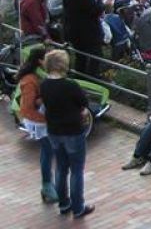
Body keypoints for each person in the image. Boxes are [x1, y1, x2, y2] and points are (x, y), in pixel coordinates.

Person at [40, 49, 95, 218]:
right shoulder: (70, 85)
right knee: (76, 170)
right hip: (72, 131)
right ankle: (78, 207)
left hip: (54, 131)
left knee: (61, 168)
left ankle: (64, 205)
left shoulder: (44, 85)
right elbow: (84, 103)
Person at [16, 47, 57, 204]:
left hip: (42, 119)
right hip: (39, 121)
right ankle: (47, 186)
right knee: (47, 152)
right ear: (40, 61)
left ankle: (47, 186)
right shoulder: (30, 80)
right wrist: (45, 120)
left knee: (47, 152)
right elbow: (27, 108)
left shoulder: (36, 75)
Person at [62, 0, 104, 78]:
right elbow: (94, 11)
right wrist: (100, 2)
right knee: (96, 55)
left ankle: (80, 76)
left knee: (80, 56)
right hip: (87, 32)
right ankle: (92, 77)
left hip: (73, 30)